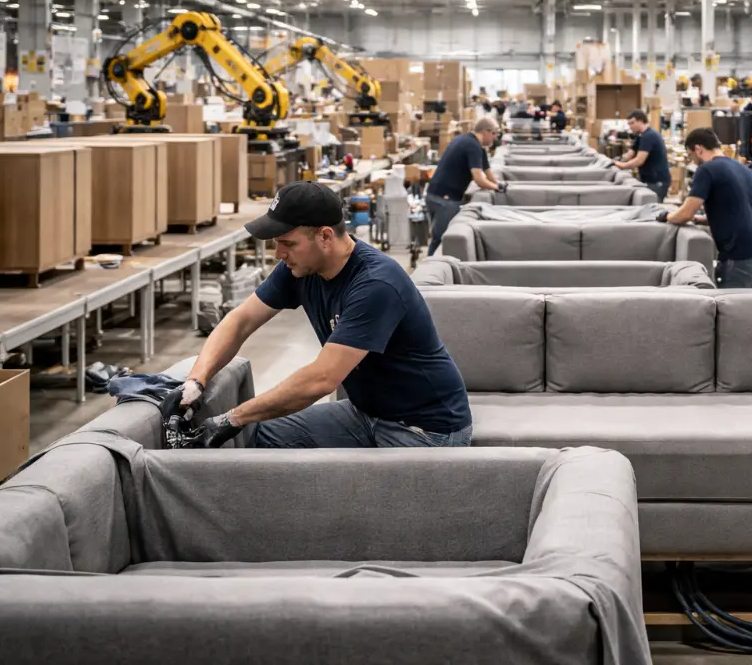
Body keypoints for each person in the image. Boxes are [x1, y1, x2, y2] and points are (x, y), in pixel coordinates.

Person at [159, 181, 473, 449]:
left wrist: (232, 417)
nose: (279, 254)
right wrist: (195, 381)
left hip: (423, 429)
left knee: (372, 511)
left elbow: (321, 380)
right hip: (366, 413)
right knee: (259, 439)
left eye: (286, 243)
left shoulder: (376, 284)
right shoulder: (299, 268)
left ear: (324, 236)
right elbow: (241, 321)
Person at [662, 127, 752, 287]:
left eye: (691, 155)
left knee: (729, 307)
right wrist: (703, 220)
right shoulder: (743, 169)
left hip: (740, 253)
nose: (692, 161)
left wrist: (667, 216)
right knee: (749, 306)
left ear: (698, 149)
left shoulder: (706, 170)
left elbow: (685, 214)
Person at [425, 117, 501, 256]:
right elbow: (479, 179)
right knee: (442, 239)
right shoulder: (472, 146)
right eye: (494, 133)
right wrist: (496, 188)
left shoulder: (473, 143)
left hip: (436, 194)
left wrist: (499, 184)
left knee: (439, 237)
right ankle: (429, 273)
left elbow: (488, 173)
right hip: (444, 199)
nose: (495, 137)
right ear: (486, 132)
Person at [613, 108, 670, 201]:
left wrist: (622, 166)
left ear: (640, 121)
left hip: (656, 181)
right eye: (629, 124)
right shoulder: (640, 136)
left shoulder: (649, 136)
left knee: (652, 209)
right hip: (647, 179)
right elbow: (631, 153)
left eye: (632, 123)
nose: (630, 126)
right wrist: (618, 160)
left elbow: (639, 160)